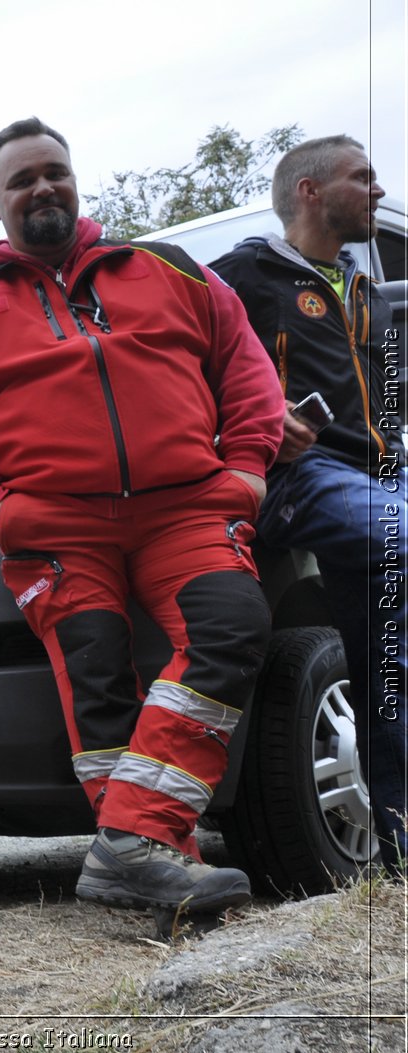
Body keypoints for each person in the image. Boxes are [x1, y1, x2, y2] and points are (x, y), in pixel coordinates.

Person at [0, 118, 286, 915]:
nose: (42, 187)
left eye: (55, 171)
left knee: (230, 628)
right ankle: (158, 862)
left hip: (185, 508)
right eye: (22, 180)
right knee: (96, 674)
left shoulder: (169, 269)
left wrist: (248, 468)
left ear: (76, 180)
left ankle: (127, 846)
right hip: (55, 526)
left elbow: (246, 368)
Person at [208, 135, 407, 867]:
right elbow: (176, 363)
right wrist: (259, 416)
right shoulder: (243, 275)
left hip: (380, 479)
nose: (378, 190)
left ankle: (402, 852)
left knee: (389, 668)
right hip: (301, 478)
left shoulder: (361, 286)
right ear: (311, 192)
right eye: (364, 178)